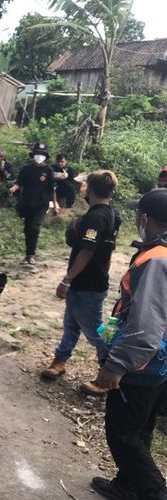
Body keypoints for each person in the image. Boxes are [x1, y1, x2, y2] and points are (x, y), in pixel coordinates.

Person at [90, 188, 167, 500]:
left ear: (145, 218)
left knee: (123, 435)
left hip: (143, 363)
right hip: (159, 362)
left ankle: (154, 492)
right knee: (141, 427)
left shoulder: (156, 261)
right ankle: (127, 486)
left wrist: (118, 364)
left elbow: (146, 323)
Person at [41, 171, 121, 397]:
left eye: (85, 186)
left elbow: (87, 250)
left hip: (86, 283)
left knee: (95, 331)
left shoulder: (96, 217)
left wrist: (67, 280)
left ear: (90, 189)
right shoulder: (114, 214)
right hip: (94, 280)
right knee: (71, 325)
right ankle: (60, 360)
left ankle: (108, 373)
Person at [9, 143, 58, 265]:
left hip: (41, 204)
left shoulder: (48, 170)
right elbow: (19, 183)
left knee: (34, 228)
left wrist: (55, 204)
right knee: (27, 229)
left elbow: (52, 189)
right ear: (33, 155)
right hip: (27, 203)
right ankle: (28, 254)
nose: (39, 156)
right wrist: (14, 188)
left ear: (45, 156)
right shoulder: (26, 169)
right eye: (37, 154)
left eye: (41, 154)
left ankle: (32, 255)